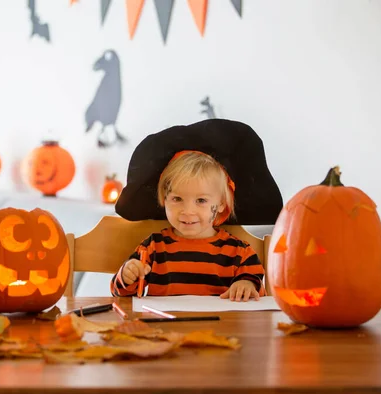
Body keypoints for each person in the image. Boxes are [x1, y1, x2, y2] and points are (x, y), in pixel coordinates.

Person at [110, 119, 283, 301]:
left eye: (201, 200)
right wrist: (128, 274)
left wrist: (246, 285)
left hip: (221, 328)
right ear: (163, 199)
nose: (188, 211)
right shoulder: (153, 248)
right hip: (164, 328)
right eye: (177, 199)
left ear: (222, 203)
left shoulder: (238, 252)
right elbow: (120, 293)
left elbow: (257, 290)